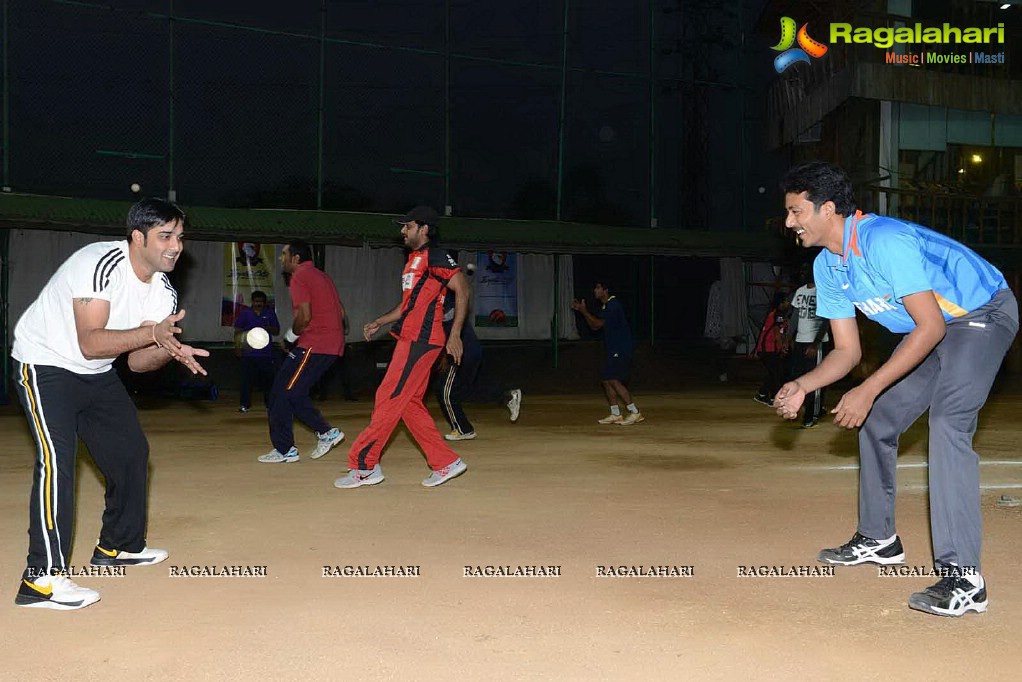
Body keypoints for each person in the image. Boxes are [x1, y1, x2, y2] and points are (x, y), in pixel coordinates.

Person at [775, 161, 1018, 618]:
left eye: (795, 211)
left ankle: (965, 578)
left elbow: (929, 328)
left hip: (980, 313)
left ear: (827, 209)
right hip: (936, 328)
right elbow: (846, 351)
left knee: (948, 422)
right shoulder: (828, 265)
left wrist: (867, 388)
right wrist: (802, 384)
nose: (789, 222)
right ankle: (879, 539)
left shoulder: (883, 241)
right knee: (879, 420)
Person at [11, 197, 209, 610]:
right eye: (165, 236)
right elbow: (91, 342)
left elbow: (137, 363)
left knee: (132, 452)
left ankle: (117, 547)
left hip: (97, 375)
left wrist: (167, 346)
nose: (175, 246)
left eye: (180, 237)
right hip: (46, 365)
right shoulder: (98, 264)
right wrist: (152, 332)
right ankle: (41, 580)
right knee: (56, 463)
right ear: (138, 237)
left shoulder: (164, 292)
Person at [335, 206, 470, 488]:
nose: (402, 231)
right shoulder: (413, 259)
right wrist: (380, 321)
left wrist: (455, 333)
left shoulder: (435, 255)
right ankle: (446, 463)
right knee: (408, 403)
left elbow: (462, 289)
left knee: (388, 396)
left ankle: (365, 466)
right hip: (410, 337)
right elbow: (409, 305)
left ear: (424, 229)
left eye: (407, 226)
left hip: (421, 340)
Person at [257, 240, 346, 463]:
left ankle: (325, 432)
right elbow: (342, 313)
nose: (281, 258)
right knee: (279, 392)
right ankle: (285, 449)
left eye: (284, 254)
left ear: (296, 258)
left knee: (290, 392)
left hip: (315, 344)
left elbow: (304, 316)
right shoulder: (322, 276)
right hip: (328, 344)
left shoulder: (299, 277)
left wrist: (289, 338)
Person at [434, 274, 522, 441]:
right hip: (468, 351)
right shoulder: (437, 304)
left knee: (444, 390)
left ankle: (462, 429)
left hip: (462, 351)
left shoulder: (446, 301)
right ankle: (507, 396)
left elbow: (451, 320)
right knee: (461, 391)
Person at [571, 281, 643, 425]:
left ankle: (635, 412)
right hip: (613, 347)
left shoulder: (613, 304)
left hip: (621, 347)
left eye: (598, 288)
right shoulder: (605, 306)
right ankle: (616, 413)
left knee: (613, 379)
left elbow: (597, 324)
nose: (595, 291)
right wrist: (582, 311)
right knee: (606, 379)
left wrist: (584, 311)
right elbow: (594, 326)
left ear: (606, 290)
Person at [790, 265, 829, 428]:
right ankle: (811, 408)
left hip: (815, 341)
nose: (804, 274)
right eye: (802, 271)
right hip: (800, 339)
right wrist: (788, 337)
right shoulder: (800, 291)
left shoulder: (823, 291)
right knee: (799, 376)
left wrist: (816, 343)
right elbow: (795, 316)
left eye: (807, 271)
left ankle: (812, 414)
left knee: (816, 377)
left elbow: (827, 320)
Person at [234, 290, 280, 413]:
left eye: (260, 301)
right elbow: (238, 331)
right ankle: (245, 405)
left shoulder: (270, 313)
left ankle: (270, 405)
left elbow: (277, 331)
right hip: (248, 352)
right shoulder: (245, 313)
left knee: (268, 381)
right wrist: (238, 348)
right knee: (246, 380)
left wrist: (268, 328)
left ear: (264, 302)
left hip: (266, 353)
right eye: (256, 301)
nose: (258, 303)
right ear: (252, 301)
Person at [753, 294, 792, 406]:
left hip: (767, 348)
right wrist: (782, 347)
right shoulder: (778, 314)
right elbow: (776, 333)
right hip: (769, 348)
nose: (788, 304)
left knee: (773, 373)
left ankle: (762, 394)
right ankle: (773, 397)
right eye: (786, 302)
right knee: (776, 373)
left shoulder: (777, 314)